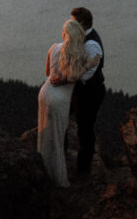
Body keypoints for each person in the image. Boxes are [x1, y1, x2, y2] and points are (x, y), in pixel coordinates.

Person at [37, 18, 98, 187]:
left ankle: (42, 171)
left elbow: (48, 71)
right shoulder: (77, 53)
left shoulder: (53, 48)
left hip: (44, 93)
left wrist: (58, 76)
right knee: (57, 137)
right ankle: (58, 179)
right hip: (60, 99)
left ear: (64, 34)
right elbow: (73, 77)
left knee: (44, 134)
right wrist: (90, 64)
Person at [70, 6, 105, 175]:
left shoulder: (91, 45)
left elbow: (84, 75)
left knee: (85, 129)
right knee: (80, 127)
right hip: (81, 90)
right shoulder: (83, 37)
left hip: (90, 92)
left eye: (73, 23)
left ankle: (83, 170)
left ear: (82, 24)